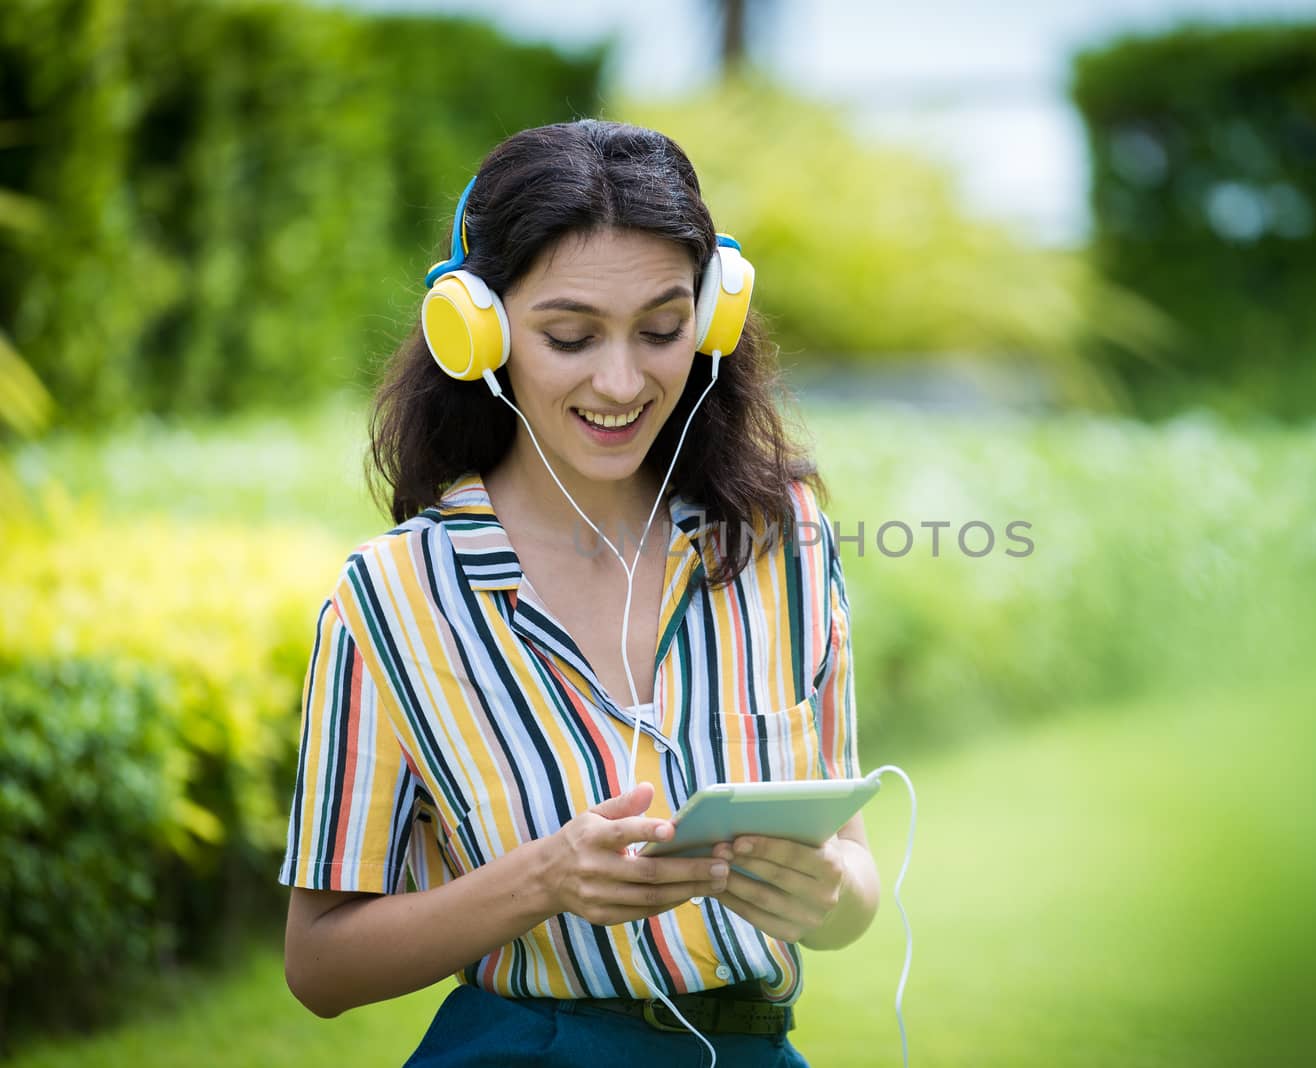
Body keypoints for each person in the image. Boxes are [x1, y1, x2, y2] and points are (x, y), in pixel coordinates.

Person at [278, 119, 879, 1067]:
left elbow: (853, 876)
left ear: (713, 318)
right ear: (477, 330)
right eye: (569, 336)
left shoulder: (783, 539)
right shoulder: (391, 597)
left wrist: (833, 894)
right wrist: (541, 882)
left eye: (662, 329)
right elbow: (317, 966)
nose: (621, 379)